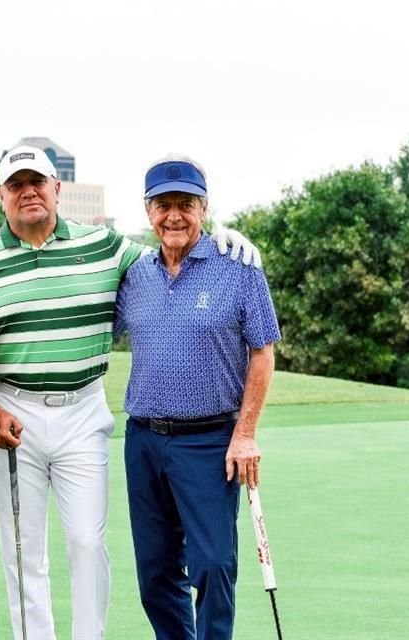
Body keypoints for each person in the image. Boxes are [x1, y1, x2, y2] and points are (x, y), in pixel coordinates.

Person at [0, 145, 260, 640]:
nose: (29, 192)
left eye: (38, 182)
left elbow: (173, 252)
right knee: (24, 550)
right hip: (13, 416)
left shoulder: (107, 247)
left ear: (56, 188)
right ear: (0, 194)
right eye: (16, 184)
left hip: (82, 412)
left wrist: (226, 236)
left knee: (88, 545)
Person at [114, 156, 280, 639]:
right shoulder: (136, 275)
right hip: (143, 441)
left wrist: (245, 435)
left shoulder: (239, 267)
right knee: (155, 574)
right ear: (148, 211)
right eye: (163, 205)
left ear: (203, 208)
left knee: (212, 565)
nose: (174, 216)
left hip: (210, 442)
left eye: (185, 204)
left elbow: (263, 352)